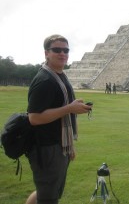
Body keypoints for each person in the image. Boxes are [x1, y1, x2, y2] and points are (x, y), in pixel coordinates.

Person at [25, 34, 92, 204]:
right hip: (47, 147)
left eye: (66, 50)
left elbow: (63, 113)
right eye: (57, 50)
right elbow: (33, 118)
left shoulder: (60, 76)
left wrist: (69, 145)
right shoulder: (45, 80)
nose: (62, 53)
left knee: (47, 192)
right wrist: (70, 108)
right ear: (46, 53)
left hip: (60, 145)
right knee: (48, 197)